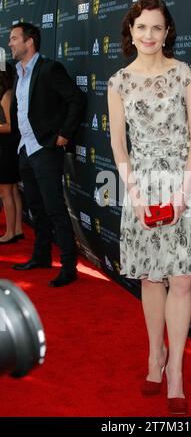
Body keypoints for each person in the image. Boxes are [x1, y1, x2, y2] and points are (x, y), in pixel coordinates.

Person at [107, 0, 191, 414]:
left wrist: (183, 191)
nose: (148, 35)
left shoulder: (187, 76)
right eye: (141, 27)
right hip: (140, 186)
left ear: (168, 33)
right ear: (131, 32)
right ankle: (155, 356)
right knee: (151, 278)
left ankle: (178, 370)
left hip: (183, 181)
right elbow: (117, 142)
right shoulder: (119, 82)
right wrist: (132, 190)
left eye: (156, 28)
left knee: (181, 280)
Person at [9, 22, 85, 287]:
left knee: (54, 209)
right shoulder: (18, 73)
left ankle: (68, 266)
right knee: (36, 209)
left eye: (14, 38)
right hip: (25, 150)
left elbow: (76, 98)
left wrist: (64, 134)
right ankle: (41, 256)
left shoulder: (50, 69)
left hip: (45, 149)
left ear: (29, 42)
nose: (10, 44)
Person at [0, 62, 23, 244]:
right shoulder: (6, 94)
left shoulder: (6, 96)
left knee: (7, 191)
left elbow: (11, 126)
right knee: (13, 189)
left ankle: (10, 232)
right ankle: (17, 229)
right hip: (7, 148)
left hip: (6, 149)